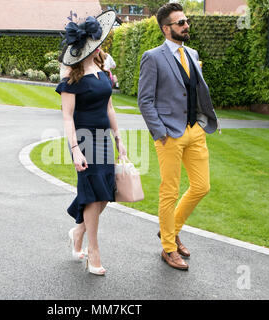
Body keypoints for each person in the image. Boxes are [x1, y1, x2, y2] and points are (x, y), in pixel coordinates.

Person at [138, 3, 219, 271]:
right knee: (169, 191)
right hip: (168, 135)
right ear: (166, 28)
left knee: (201, 186)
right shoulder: (153, 57)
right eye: (181, 22)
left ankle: (170, 230)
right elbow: (145, 100)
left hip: (195, 130)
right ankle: (169, 248)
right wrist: (159, 133)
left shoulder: (192, 53)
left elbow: (195, 91)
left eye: (186, 21)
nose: (186, 26)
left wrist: (204, 121)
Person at [56, 11, 126, 276]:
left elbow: (110, 107)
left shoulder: (103, 71)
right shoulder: (70, 80)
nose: (95, 46)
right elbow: (67, 118)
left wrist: (118, 139)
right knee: (93, 192)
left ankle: (77, 231)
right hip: (84, 141)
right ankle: (93, 251)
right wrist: (75, 150)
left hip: (104, 139)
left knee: (105, 192)